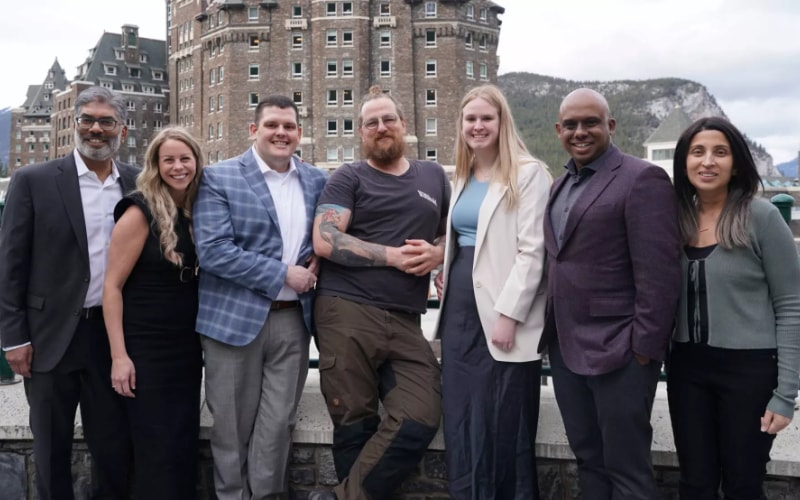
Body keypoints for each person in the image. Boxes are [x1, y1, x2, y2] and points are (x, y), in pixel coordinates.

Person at [540, 88, 681, 499]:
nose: (580, 132)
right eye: (571, 125)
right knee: (589, 460)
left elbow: (659, 275)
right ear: (558, 130)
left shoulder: (642, 178)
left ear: (610, 126)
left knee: (627, 469)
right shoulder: (560, 183)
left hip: (621, 352)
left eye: (590, 123)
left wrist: (643, 352)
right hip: (566, 348)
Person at [311, 86, 450, 500]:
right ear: (361, 133)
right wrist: (392, 256)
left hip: (406, 318)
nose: (381, 127)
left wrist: (439, 255)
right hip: (348, 309)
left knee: (421, 415)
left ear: (404, 125)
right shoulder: (348, 176)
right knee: (354, 419)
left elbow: (446, 234)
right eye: (371, 122)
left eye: (388, 119)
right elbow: (325, 237)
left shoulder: (433, 175)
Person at [0, 86, 137, 499]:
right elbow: (10, 265)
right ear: (73, 124)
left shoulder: (137, 182)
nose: (96, 129)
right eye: (87, 120)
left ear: (122, 131)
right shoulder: (33, 180)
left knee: (114, 447)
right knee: (51, 449)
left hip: (111, 338)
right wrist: (14, 338)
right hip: (48, 337)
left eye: (106, 121)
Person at [193, 95, 328, 500]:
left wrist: (319, 262)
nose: (280, 133)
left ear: (299, 133)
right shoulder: (219, 177)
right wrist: (283, 273)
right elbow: (214, 250)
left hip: (292, 321)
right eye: (272, 125)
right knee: (231, 428)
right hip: (233, 323)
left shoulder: (317, 180)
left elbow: (324, 240)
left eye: (288, 126)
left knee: (277, 426)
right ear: (254, 130)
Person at [668, 116, 800, 499]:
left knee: (743, 484)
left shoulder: (761, 217)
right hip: (686, 369)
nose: (708, 161)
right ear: (685, 162)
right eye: (698, 152)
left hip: (750, 372)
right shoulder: (675, 219)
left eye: (720, 152)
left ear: (737, 163)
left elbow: (791, 305)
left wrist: (785, 393)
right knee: (695, 483)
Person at [434, 84, 550, 499]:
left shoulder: (529, 173)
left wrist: (509, 314)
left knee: (505, 420)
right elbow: (468, 239)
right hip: (458, 316)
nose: (478, 126)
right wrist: (446, 269)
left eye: (486, 118)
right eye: (470, 119)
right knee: (463, 419)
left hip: (502, 317)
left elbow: (533, 251)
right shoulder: (461, 176)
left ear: (502, 122)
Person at [102, 126, 204, 499]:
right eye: (168, 160)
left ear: (196, 162)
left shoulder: (195, 209)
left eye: (184, 159)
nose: (178, 167)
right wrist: (119, 357)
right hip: (144, 350)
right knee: (154, 449)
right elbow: (111, 288)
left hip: (185, 348)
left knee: (180, 444)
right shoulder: (138, 210)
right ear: (156, 166)